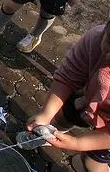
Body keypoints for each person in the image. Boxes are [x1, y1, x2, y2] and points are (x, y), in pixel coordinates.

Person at [26, 18, 110, 172]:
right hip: (87, 99)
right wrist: (47, 114)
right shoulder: (95, 39)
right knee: (63, 116)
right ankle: (49, 134)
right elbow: (68, 77)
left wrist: (78, 143)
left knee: (92, 162)